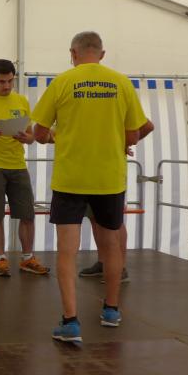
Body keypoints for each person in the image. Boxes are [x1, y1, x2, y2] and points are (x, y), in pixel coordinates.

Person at [32, 31, 148, 342]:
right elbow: (134, 135)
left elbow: (39, 133)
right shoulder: (121, 83)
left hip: (70, 178)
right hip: (109, 178)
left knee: (67, 251)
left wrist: (58, 135)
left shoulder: (62, 82)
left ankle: (70, 322)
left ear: (73, 53)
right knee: (110, 246)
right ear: (102, 53)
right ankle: (111, 310)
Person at [0, 59, 50, 277]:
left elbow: (31, 137)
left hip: (18, 165)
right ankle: (1, 259)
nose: (7, 86)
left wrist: (25, 137)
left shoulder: (21, 101)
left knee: (27, 214)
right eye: (2, 82)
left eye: (10, 81)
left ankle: (28, 258)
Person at [79, 120, 154, 282]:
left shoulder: (118, 103)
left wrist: (123, 143)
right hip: (88, 169)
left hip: (111, 171)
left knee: (114, 221)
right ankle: (103, 262)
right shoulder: (87, 106)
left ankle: (120, 268)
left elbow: (148, 126)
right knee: (95, 219)